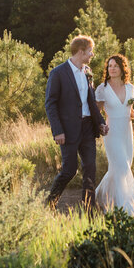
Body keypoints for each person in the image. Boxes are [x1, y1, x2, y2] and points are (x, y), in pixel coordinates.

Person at [45, 35, 108, 212]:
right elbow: (50, 104)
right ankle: (50, 203)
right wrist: (57, 131)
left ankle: (89, 209)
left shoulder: (88, 72)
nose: (92, 55)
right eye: (90, 51)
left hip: (88, 128)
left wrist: (101, 123)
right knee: (69, 170)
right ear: (81, 52)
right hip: (67, 130)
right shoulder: (58, 73)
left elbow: (91, 101)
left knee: (90, 168)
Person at [94, 54, 134, 216]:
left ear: (122, 68)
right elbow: (96, 112)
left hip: (127, 131)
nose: (111, 69)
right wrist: (99, 125)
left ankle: (100, 196)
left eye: (115, 66)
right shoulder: (102, 88)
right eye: (109, 66)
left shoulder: (130, 88)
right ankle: (126, 209)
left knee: (119, 168)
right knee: (122, 168)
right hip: (111, 132)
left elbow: (130, 111)